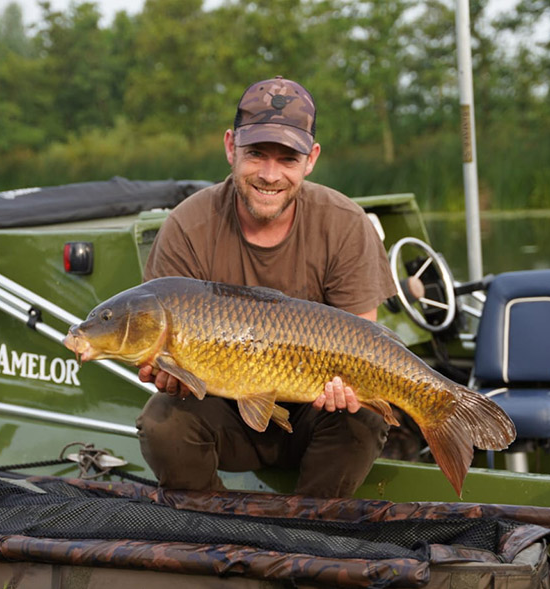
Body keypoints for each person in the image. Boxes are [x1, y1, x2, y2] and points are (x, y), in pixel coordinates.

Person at [136, 76, 397, 498]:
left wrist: (349, 389)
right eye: (256, 154)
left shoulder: (345, 223)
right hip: (225, 415)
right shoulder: (187, 225)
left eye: (288, 158)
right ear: (229, 148)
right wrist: (168, 373)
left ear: (310, 159)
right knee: (161, 420)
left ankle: (311, 534)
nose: (270, 175)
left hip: (317, 416)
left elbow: (362, 343)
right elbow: (162, 361)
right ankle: (213, 530)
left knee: (363, 416)